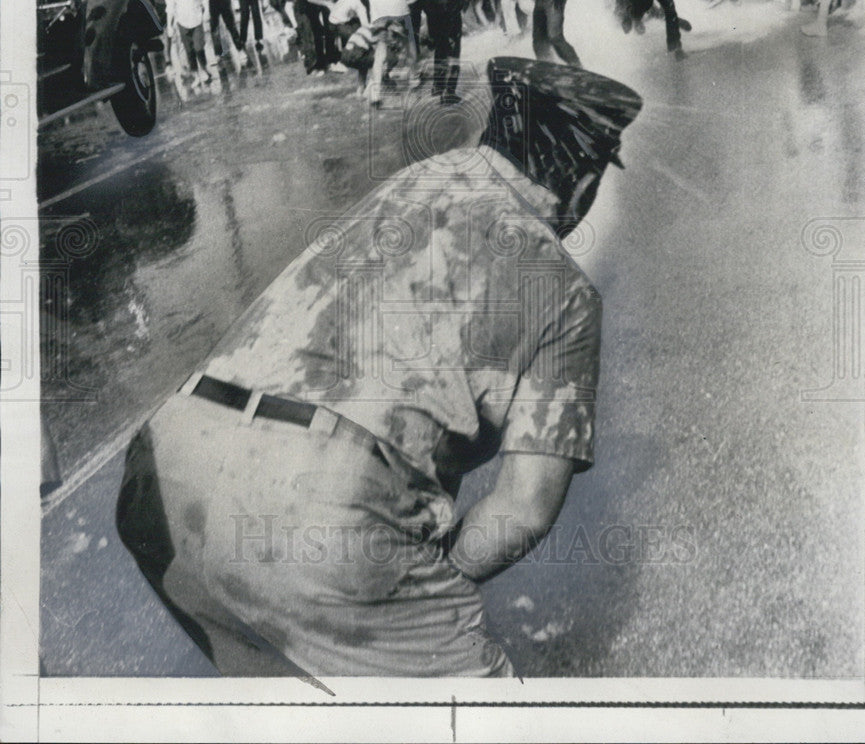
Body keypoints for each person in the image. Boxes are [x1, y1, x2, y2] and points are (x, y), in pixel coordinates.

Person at [116, 55, 642, 679]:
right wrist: (418, 583)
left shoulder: (408, 185)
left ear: (496, 133)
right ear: (582, 181)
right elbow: (523, 510)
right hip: (323, 515)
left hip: (163, 468)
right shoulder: (566, 293)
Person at [163, 0, 211, 89]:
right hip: (183, 24)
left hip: (196, 21)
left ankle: (204, 69)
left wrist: (206, 11)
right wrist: (169, 26)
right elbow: (170, 9)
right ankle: (196, 74)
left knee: (199, 47)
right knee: (189, 51)